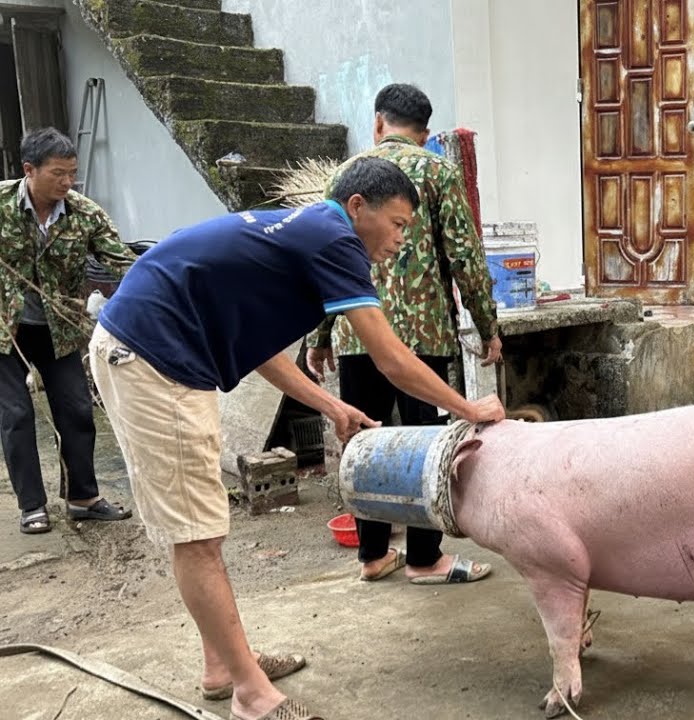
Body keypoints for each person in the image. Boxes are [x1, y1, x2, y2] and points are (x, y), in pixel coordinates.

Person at [89, 157, 505, 720]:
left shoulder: (308, 234)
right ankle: (251, 695)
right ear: (358, 208)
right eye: (400, 224)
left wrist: (330, 403)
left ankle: (222, 667)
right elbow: (390, 359)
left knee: (198, 528)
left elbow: (255, 344)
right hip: (153, 357)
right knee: (197, 534)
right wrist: (466, 408)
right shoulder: (334, 239)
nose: (402, 241)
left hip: (157, 350)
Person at [307, 83, 500, 585]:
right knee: (426, 443)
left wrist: (319, 336)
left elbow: (324, 258)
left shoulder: (347, 176)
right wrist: (487, 326)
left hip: (355, 333)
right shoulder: (438, 170)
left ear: (377, 123)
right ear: (425, 132)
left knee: (365, 438)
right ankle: (423, 558)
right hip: (422, 335)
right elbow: (465, 256)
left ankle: (372, 554)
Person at [0, 128, 133, 535]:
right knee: (17, 414)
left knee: (76, 410)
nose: (67, 182)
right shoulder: (2, 204)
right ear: (29, 170)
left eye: (72, 173)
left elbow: (123, 261)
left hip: (58, 327)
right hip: (5, 330)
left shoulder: (84, 213)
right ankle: (32, 506)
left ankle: (83, 498)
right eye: (58, 173)